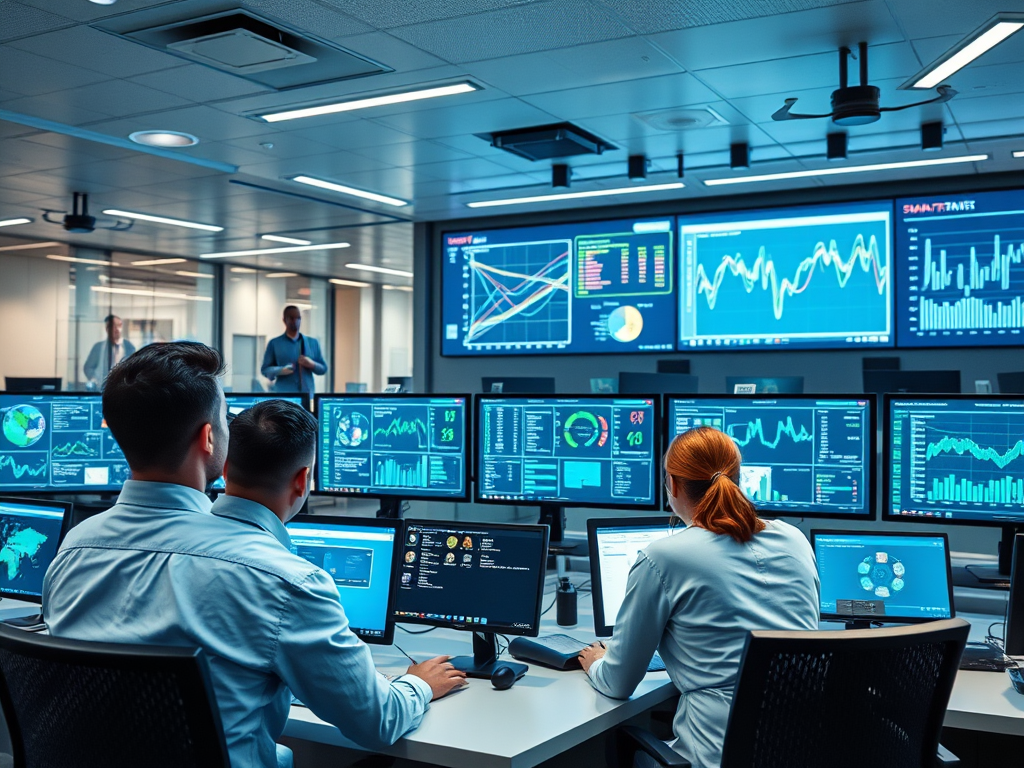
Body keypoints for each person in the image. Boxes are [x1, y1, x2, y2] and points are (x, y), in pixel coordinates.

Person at [43, 343, 464, 768]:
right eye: (224, 418)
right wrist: (418, 685)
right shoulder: (280, 578)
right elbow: (376, 721)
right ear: (209, 440)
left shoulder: (73, 548)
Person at [578, 426, 819, 768]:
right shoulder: (794, 539)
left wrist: (596, 663)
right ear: (737, 477)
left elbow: (619, 683)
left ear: (673, 485)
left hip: (715, 759)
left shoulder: (664, 557)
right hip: (799, 750)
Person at [261, 305, 327, 395]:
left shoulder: (312, 343)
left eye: (298, 318)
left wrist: (311, 364)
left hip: (307, 397)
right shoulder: (274, 343)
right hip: (284, 397)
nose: (296, 321)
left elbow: (323, 369)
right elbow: (265, 370)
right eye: (292, 318)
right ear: (284, 320)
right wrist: (281, 370)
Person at [83, 314, 136, 386]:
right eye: (113, 326)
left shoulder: (129, 347)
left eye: (119, 325)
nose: (117, 329)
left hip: (122, 389)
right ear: (107, 329)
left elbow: (134, 369)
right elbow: (88, 367)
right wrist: (94, 379)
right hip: (102, 389)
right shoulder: (98, 347)